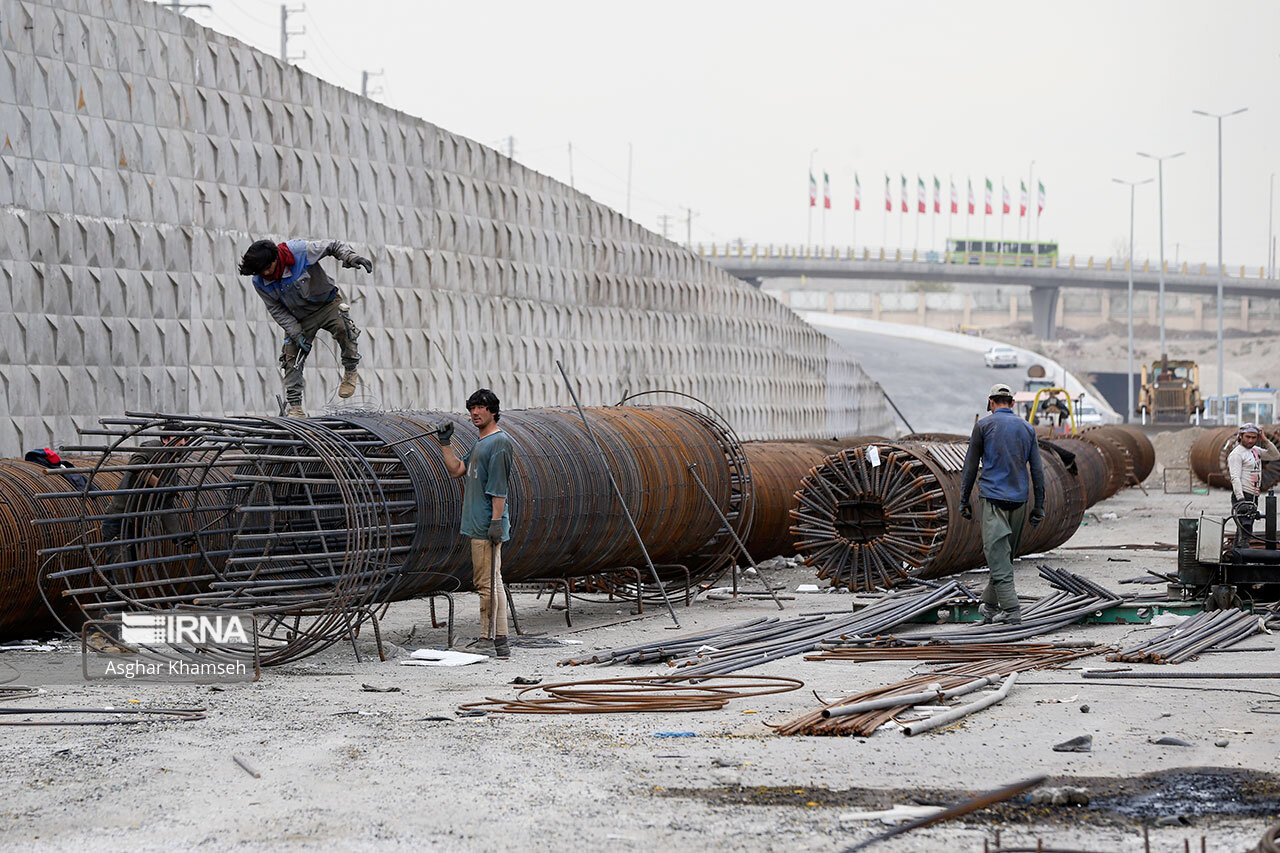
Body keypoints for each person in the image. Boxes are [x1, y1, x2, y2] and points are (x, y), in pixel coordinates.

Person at [238, 238, 373, 418]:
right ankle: (295, 407)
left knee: (344, 329)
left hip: (327, 304)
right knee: (291, 357)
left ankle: (350, 370)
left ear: (275, 259)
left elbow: (332, 246)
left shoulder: (299, 251)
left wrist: (350, 257)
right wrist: (295, 333)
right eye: (260, 272)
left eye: (266, 269)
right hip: (298, 318)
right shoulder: (259, 281)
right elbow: (275, 309)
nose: (264, 274)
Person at [434, 389, 514, 658]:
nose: (475, 413)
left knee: (485, 584)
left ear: (493, 411)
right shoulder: (481, 443)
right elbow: (457, 469)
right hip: (479, 522)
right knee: (494, 581)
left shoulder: (499, 443)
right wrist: (445, 442)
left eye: (480, 408)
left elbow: (499, 488)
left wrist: (495, 523)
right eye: (472, 409)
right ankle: (500, 640)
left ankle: (487, 639)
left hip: (485, 525)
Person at [958, 382, 1046, 625]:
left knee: (997, 556)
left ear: (991, 403)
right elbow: (1038, 471)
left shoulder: (984, 426)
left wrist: (963, 500)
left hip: (993, 498)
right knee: (1003, 558)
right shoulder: (1027, 428)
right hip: (1019, 501)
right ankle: (989, 606)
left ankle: (1011, 608)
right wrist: (1039, 505)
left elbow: (970, 467)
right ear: (1013, 404)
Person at [1227, 423, 1279, 546]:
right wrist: (1241, 500)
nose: (1250, 440)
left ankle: (1239, 556)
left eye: (1254, 438)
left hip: (1253, 495)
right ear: (1241, 436)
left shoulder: (1255, 451)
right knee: (1244, 529)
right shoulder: (1237, 454)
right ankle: (1240, 557)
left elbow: (1275, 455)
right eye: (1248, 437)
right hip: (1243, 495)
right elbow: (1235, 478)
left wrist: (1265, 440)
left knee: (1245, 530)